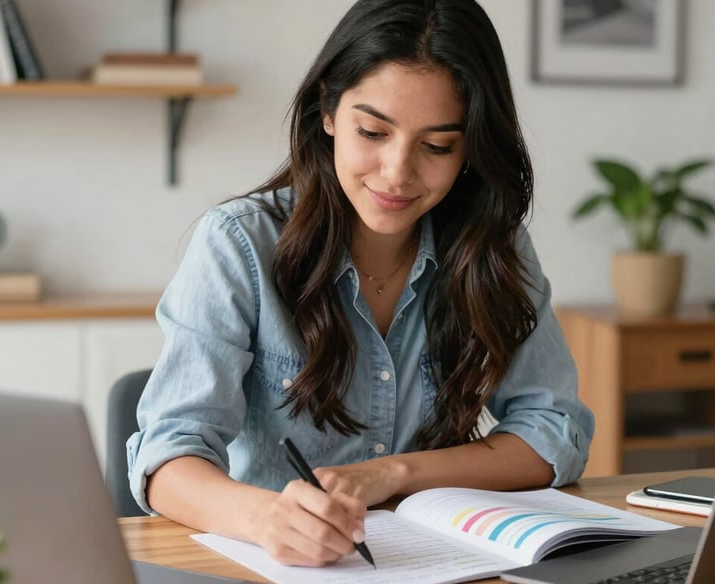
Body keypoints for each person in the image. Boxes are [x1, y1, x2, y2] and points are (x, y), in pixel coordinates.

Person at [127, 0, 594, 568]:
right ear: (327, 110)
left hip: (438, 565)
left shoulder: (492, 247)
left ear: (471, 144)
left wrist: (392, 474)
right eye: (372, 131)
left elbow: (554, 430)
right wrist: (266, 519)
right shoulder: (239, 244)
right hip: (280, 568)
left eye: (437, 146)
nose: (397, 172)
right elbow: (166, 459)